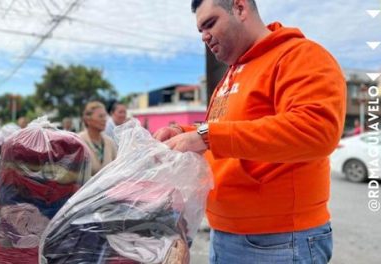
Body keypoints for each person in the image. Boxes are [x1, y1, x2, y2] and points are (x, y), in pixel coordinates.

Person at [154, 0, 346, 263]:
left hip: (280, 240)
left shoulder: (299, 55)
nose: (204, 37)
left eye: (210, 23)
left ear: (240, 8)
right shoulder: (232, 73)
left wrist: (203, 137)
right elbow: (226, 127)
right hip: (225, 233)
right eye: (200, 30)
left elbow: (316, 130)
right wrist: (180, 131)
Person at [78, 101, 117, 179]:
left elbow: (116, 169)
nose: (104, 119)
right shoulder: (79, 141)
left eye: (105, 116)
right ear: (87, 120)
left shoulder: (110, 142)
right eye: (100, 116)